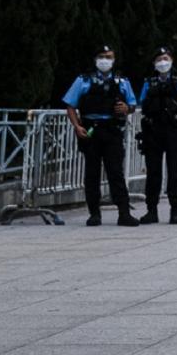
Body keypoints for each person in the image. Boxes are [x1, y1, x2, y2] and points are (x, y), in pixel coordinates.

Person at [62, 45, 140, 227]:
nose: (105, 60)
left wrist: (126, 109)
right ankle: (94, 214)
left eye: (109, 56)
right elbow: (70, 105)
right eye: (102, 56)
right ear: (95, 59)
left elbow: (133, 105)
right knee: (92, 173)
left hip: (112, 130)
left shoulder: (122, 81)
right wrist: (76, 126)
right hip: (91, 130)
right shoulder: (84, 80)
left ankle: (124, 213)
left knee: (116, 173)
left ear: (114, 60)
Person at [137, 46, 177, 226]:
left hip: (173, 130)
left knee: (175, 171)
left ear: (171, 60)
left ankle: (175, 209)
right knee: (153, 171)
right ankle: (151, 210)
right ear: (154, 63)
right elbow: (142, 103)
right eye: (159, 59)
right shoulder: (149, 82)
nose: (163, 63)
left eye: (166, 58)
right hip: (153, 130)